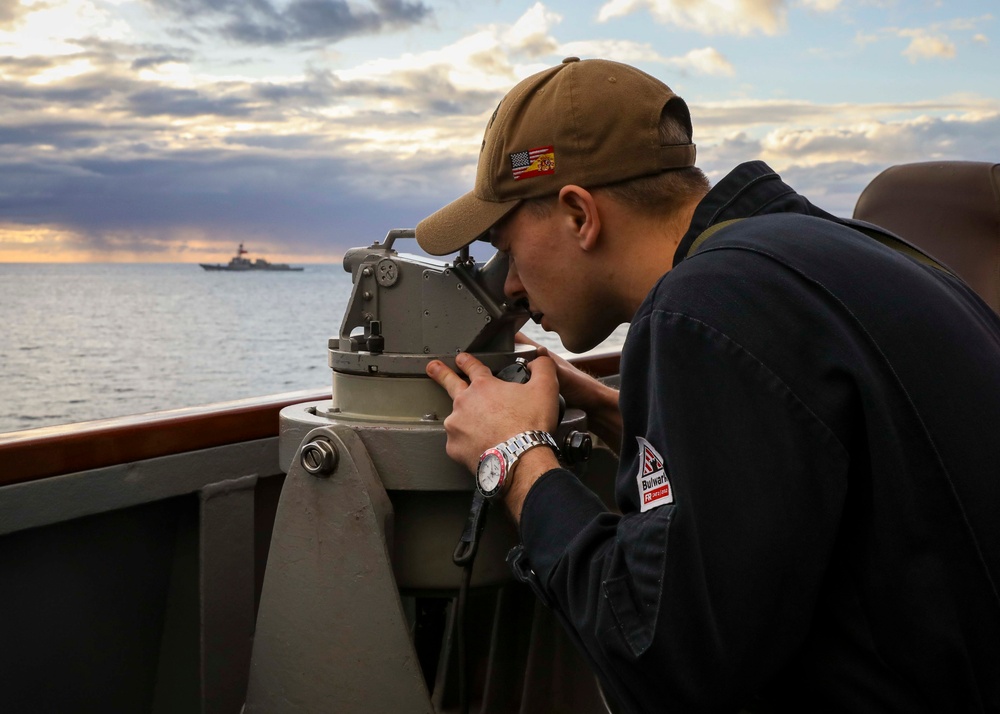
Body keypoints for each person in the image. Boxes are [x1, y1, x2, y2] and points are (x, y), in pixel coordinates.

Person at [415, 57, 1000, 712]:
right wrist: (620, 412)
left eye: (505, 246)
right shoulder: (815, 256)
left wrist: (516, 458)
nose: (513, 287)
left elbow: (670, 665)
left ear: (580, 214)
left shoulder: (704, 310)